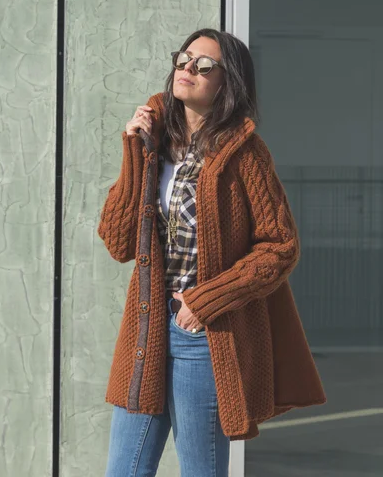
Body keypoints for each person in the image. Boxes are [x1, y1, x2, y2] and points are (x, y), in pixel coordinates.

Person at [98, 28, 327, 477]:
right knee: (124, 470)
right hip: (146, 327)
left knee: (201, 471)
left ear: (228, 83)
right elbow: (118, 242)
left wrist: (205, 302)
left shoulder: (246, 155)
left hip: (201, 333)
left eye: (204, 65)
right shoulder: (152, 146)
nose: (187, 69)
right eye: (183, 59)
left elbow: (281, 246)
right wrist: (131, 150)